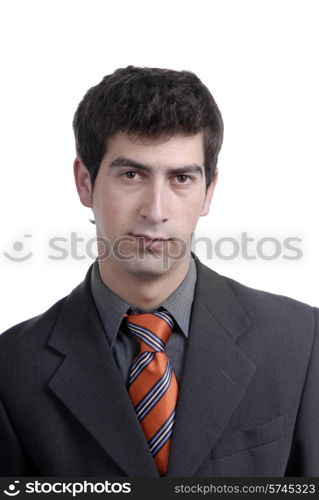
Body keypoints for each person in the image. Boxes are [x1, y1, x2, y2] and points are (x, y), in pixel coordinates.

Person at [0, 66, 318, 478]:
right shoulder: (12, 368)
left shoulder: (302, 340)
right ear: (84, 182)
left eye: (181, 178)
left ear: (208, 192)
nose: (156, 211)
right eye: (132, 175)